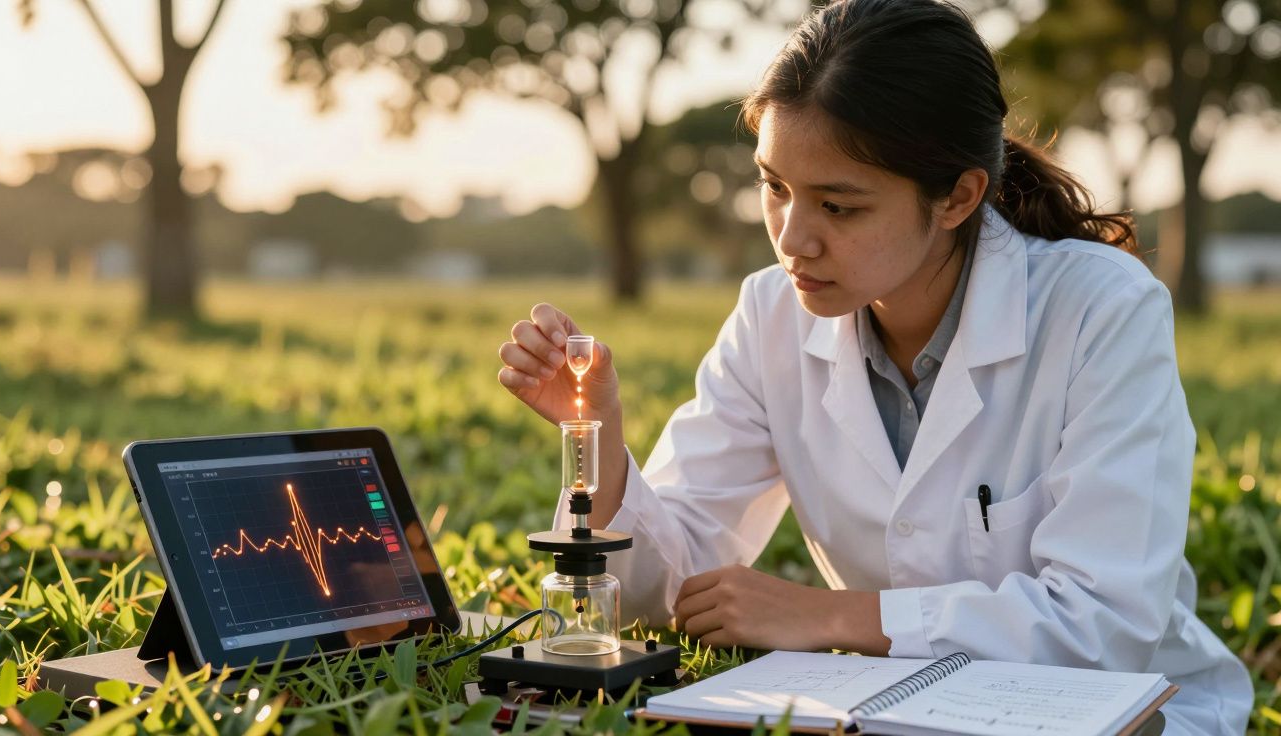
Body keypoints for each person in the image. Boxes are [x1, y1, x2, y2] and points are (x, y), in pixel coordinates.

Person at [496, 0, 1252, 732]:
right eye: (774, 187)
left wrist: (832, 615)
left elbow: (1103, 628)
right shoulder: (771, 315)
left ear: (958, 196)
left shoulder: (1101, 309)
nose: (792, 239)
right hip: (891, 708)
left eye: (839, 205)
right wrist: (593, 436)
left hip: (1124, 715)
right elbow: (663, 589)